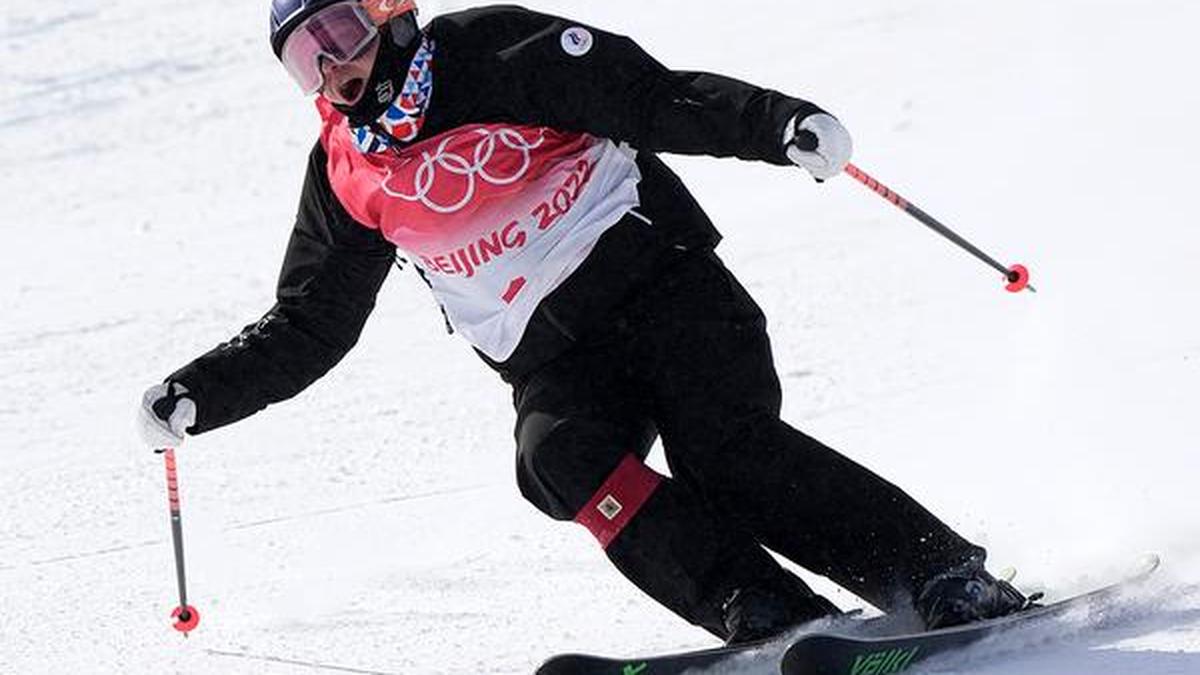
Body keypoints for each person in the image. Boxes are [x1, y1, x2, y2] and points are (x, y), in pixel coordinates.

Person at [137, 0, 1030, 644]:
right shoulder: (345, 171)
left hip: (667, 289)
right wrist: (198, 394)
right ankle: (762, 608)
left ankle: (941, 572)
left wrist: (777, 123)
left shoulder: (493, 51)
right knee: (555, 457)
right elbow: (311, 322)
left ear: (388, 10)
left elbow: (650, 98)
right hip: (557, 360)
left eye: (338, 34)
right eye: (304, 59)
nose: (332, 68)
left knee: (723, 453)